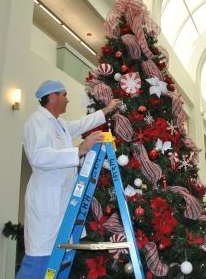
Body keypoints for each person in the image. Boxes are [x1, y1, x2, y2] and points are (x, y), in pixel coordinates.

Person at [16, 80, 121, 279]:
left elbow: (82, 123)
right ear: (52, 96)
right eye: (64, 95)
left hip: (63, 205)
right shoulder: (36, 122)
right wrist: (80, 149)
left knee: (57, 264)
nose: (67, 99)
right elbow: (38, 157)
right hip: (46, 206)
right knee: (38, 266)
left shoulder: (60, 125)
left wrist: (107, 110)